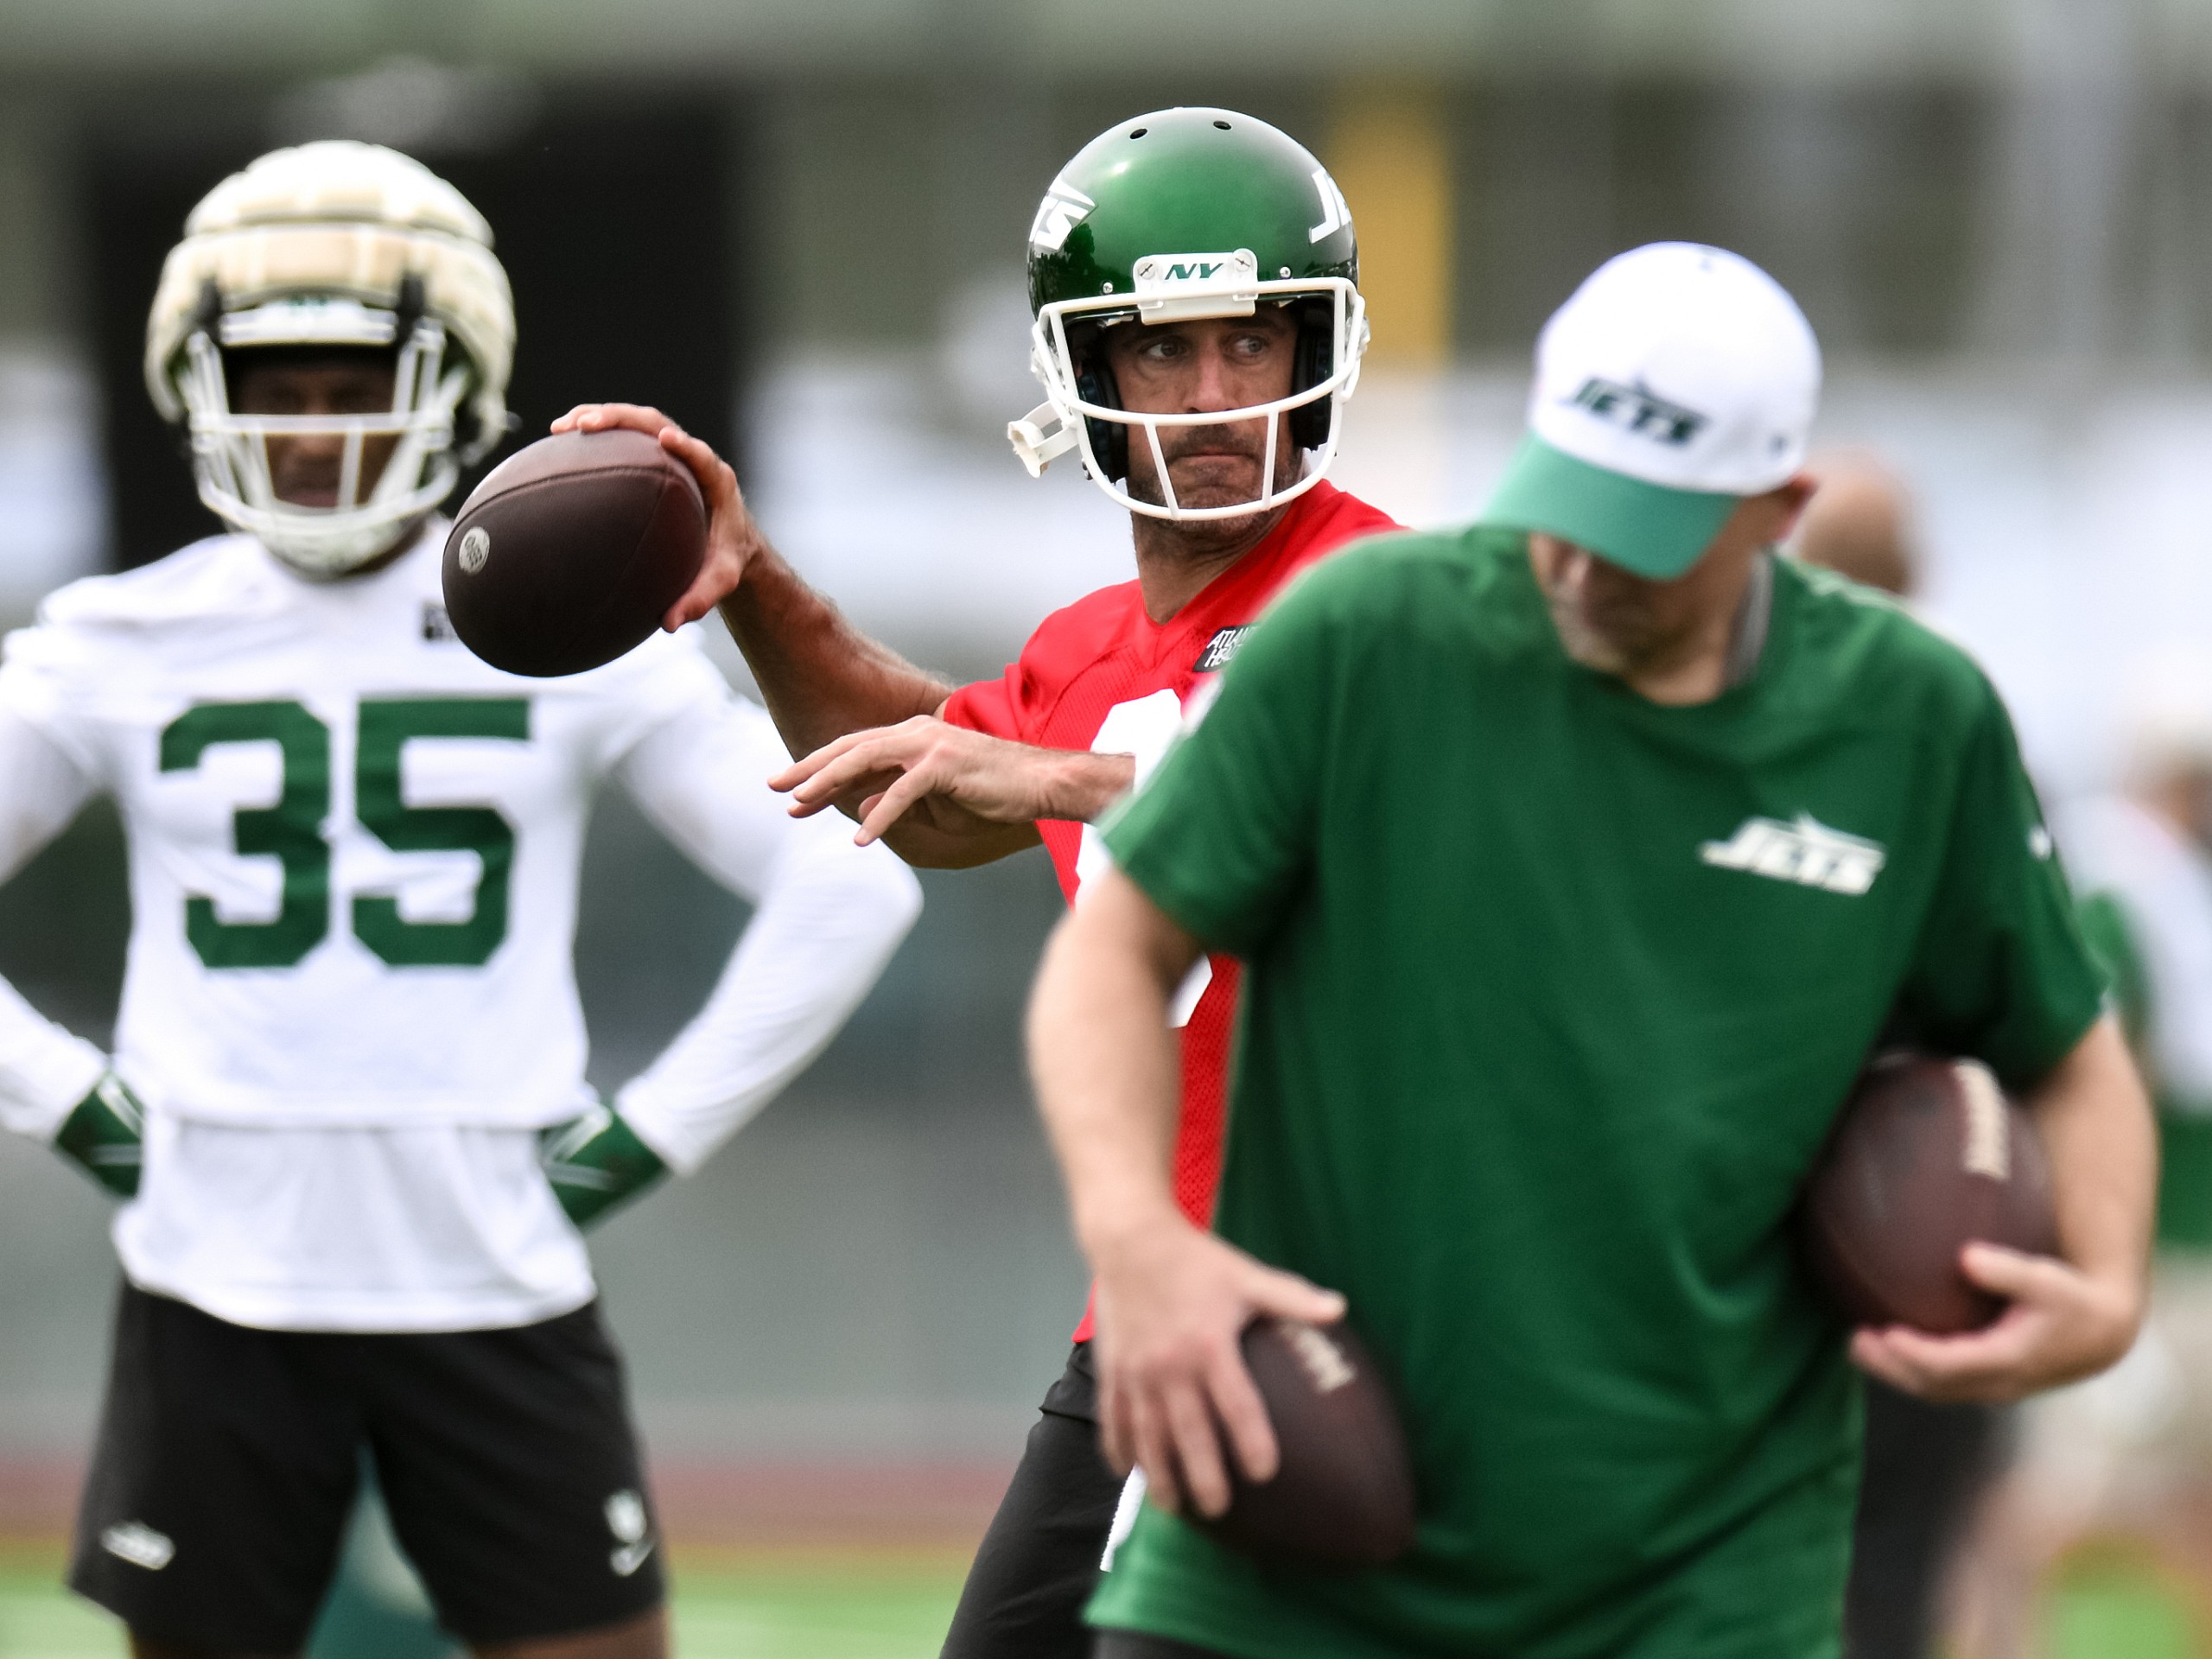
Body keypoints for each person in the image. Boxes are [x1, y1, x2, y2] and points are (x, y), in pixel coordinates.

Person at [1023, 241, 2156, 1659]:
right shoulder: (1366, 640)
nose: (1581, 562)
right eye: (1564, 501)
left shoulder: (1913, 723)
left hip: (1693, 1588)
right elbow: (1112, 955)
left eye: (1644, 532)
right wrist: (1135, 1240)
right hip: (1291, 1547)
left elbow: (2065, 1043)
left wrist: (2105, 1292)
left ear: (1775, 510)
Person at [0, 139, 920, 1659]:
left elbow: (846, 877)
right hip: (215, 1270)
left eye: (354, 379)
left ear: (455, 384)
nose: (312, 428)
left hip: (489, 1265)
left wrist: (644, 1136)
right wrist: (72, 1102)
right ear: (190, 383)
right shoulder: (118, 638)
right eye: (273, 382)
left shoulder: (568, 621)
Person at [561, 106, 1400, 1659]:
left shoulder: (1387, 598)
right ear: (1086, 374)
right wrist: (757, 589)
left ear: (1312, 354)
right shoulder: (1085, 648)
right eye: (1161, 349)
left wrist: (1066, 781)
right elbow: (930, 795)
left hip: (1334, 1309)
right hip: (1150, 1314)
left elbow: (1356, 815)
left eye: (1251, 344)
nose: (1214, 396)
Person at [1792, 454, 2014, 1659]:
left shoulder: (1767, 712)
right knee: (1901, 1569)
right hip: (1933, 1211)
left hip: (1776, 1216)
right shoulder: (1961, 709)